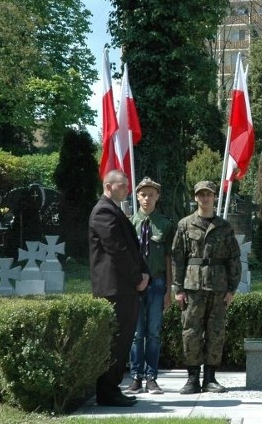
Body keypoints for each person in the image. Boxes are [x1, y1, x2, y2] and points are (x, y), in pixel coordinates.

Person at [172, 180, 242, 394]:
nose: (205, 198)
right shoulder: (185, 224)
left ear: (214, 197)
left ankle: (210, 378)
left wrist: (232, 288)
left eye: (208, 194)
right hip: (192, 287)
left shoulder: (224, 226)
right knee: (191, 331)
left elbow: (234, 258)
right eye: (201, 194)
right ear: (195, 198)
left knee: (216, 331)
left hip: (218, 287)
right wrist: (178, 288)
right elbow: (177, 258)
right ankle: (192, 378)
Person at [88, 169, 150, 407]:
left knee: (122, 340)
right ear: (108, 186)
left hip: (124, 287)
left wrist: (145, 273)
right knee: (116, 341)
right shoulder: (103, 211)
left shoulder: (114, 210)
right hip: (114, 288)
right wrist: (137, 277)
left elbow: (132, 248)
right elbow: (116, 249)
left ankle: (112, 389)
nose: (127, 189)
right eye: (123, 185)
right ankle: (107, 391)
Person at [126, 177, 175, 395]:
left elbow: (168, 258)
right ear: (137, 196)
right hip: (135, 285)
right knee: (136, 333)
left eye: (151, 195)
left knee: (153, 332)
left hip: (157, 282)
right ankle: (136, 377)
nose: (147, 198)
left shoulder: (165, 224)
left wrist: (169, 289)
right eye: (143, 194)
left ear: (158, 197)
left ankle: (152, 378)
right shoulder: (129, 223)